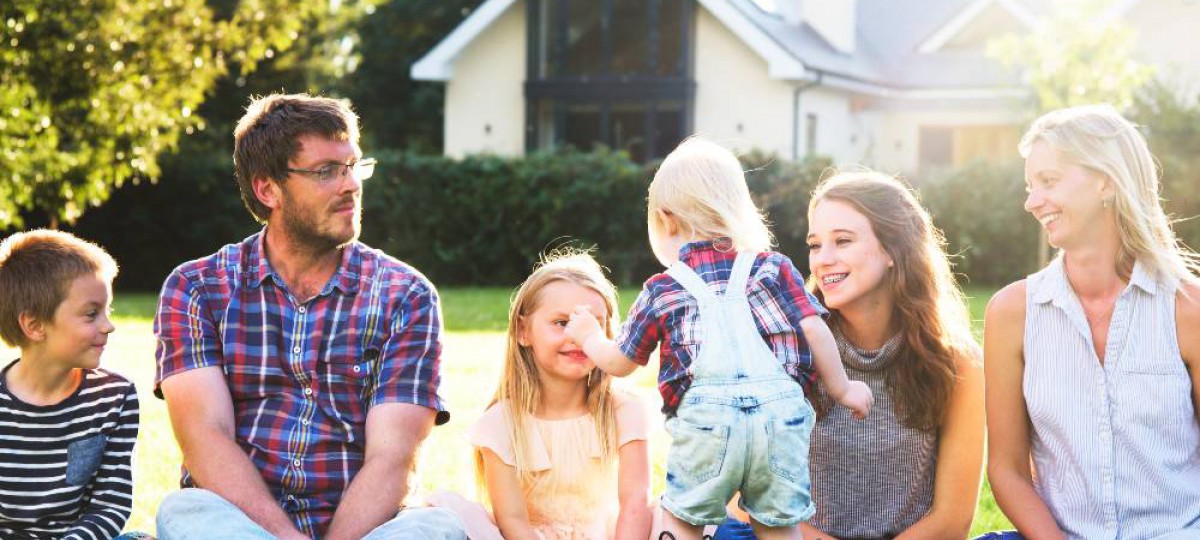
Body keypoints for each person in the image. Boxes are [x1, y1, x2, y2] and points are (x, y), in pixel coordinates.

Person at [153, 93, 465, 539]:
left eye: (353, 166)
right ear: (268, 189)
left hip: (366, 529)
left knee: (437, 527)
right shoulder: (197, 288)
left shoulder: (406, 295)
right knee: (186, 510)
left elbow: (393, 458)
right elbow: (206, 440)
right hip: (240, 524)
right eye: (326, 172)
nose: (351, 185)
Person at [565, 137, 873, 540]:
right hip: (780, 425)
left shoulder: (663, 288)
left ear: (666, 218)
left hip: (706, 426)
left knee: (682, 519)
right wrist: (843, 386)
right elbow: (815, 328)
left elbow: (621, 361)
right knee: (779, 526)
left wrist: (589, 336)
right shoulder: (774, 269)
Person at [984, 104, 1200, 539]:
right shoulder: (1012, 313)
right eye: (1030, 185)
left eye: (1049, 181)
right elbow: (1006, 469)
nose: (1031, 201)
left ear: (1105, 181)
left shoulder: (1187, 308)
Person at [802, 171, 985, 539]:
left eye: (842, 241)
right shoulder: (788, 350)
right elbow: (743, 500)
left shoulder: (959, 364)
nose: (823, 259)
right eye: (815, 245)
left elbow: (952, 519)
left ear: (891, 249)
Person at [432, 250, 652, 540]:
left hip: (611, 535)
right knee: (441, 522)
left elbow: (637, 503)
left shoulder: (623, 410)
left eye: (592, 325)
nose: (577, 336)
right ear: (524, 331)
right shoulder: (501, 424)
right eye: (561, 323)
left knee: (678, 517)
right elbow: (512, 521)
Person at [0, 229, 143, 540]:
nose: (109, 325)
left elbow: (110, 505)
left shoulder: (116, 397)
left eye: (108, 310)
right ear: (35, 326)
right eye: (91, 314)